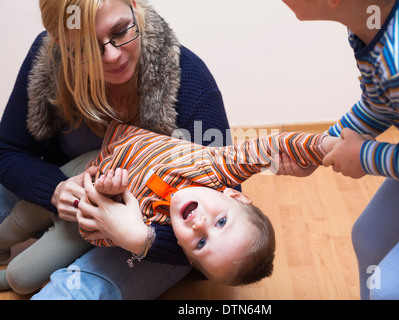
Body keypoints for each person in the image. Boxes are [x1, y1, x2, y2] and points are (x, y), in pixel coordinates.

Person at [0, 0, 237, 299]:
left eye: (121, 31)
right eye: (85, 48)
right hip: (73, 205)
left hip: (159, 229)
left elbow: (224, 218)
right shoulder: (47, 60)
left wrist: (140, 237)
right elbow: (7, 150)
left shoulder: (191, 84)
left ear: (134, 6)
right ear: (59, 43)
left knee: (71, 294)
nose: (112, 56)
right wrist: (55, 190)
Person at [0, 119, 339, 289]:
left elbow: (94, 233)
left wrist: (105, 196)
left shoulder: (149, 223)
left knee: (20, 276)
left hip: (87, 197)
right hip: (90, 161)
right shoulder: (217, 166)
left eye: (201, 243)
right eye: (221, 222)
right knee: (24, 214)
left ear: (182, 248)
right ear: (234, 195)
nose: (199, 224)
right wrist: (322, 146)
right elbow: (271, 147)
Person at [281, 0, 399, 299]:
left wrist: (364, 157)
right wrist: (320, 147)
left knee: (389, 290)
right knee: (370, 238)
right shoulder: (371, 24)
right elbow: (379, 103)